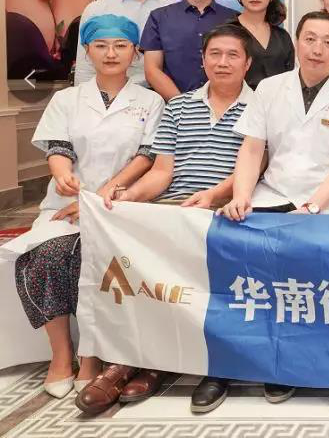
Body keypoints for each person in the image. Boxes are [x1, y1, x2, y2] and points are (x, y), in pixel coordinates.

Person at [73, 22, 256, 413]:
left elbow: (253, 168)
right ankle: (126, 361)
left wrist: (213, 196)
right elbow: (161, 172)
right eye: (215, 54)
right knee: (133, 264)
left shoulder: (260, 108)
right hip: (172, 206)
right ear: (202, 60)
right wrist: (129, 197)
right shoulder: (178, 107)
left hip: (221, 210)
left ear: (248, 64)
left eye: (233, 55)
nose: (223, 62)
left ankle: (156, 364)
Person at [0, 16, 162, 407]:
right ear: (87, 51)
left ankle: (91, 353)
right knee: (45, 258)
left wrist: (97, 197)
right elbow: (59, 149)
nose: (111, 53)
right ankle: (61, 354)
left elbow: (147, 156)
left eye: (120, 45)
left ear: (135, 52)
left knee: (94, 260)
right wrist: (63, 176)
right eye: (101, 46)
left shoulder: (150, 101)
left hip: (119, 204)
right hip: (65, 206)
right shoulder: (67, 100)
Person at [217, 10, 329, 404]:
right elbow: (253, 148)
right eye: (310, 39)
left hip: (328, 202)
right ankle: (275, 365)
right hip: (273, 194)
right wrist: (241, 195)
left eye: (328, 42)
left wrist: (314, 206)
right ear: (297, 42)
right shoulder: (269, 89)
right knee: (260, 278)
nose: (317, 49)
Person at [142, 0, 239, 99]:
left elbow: (239, 65)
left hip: (226, 105)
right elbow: (152, 70)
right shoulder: (159, 17)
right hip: (174, 106)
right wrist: (182, 105)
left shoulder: (234, 19)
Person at [230, 0, 293, 89]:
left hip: (279, 101)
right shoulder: (227, 32)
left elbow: (291, 79)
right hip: (239, 101)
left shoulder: (282, 36)